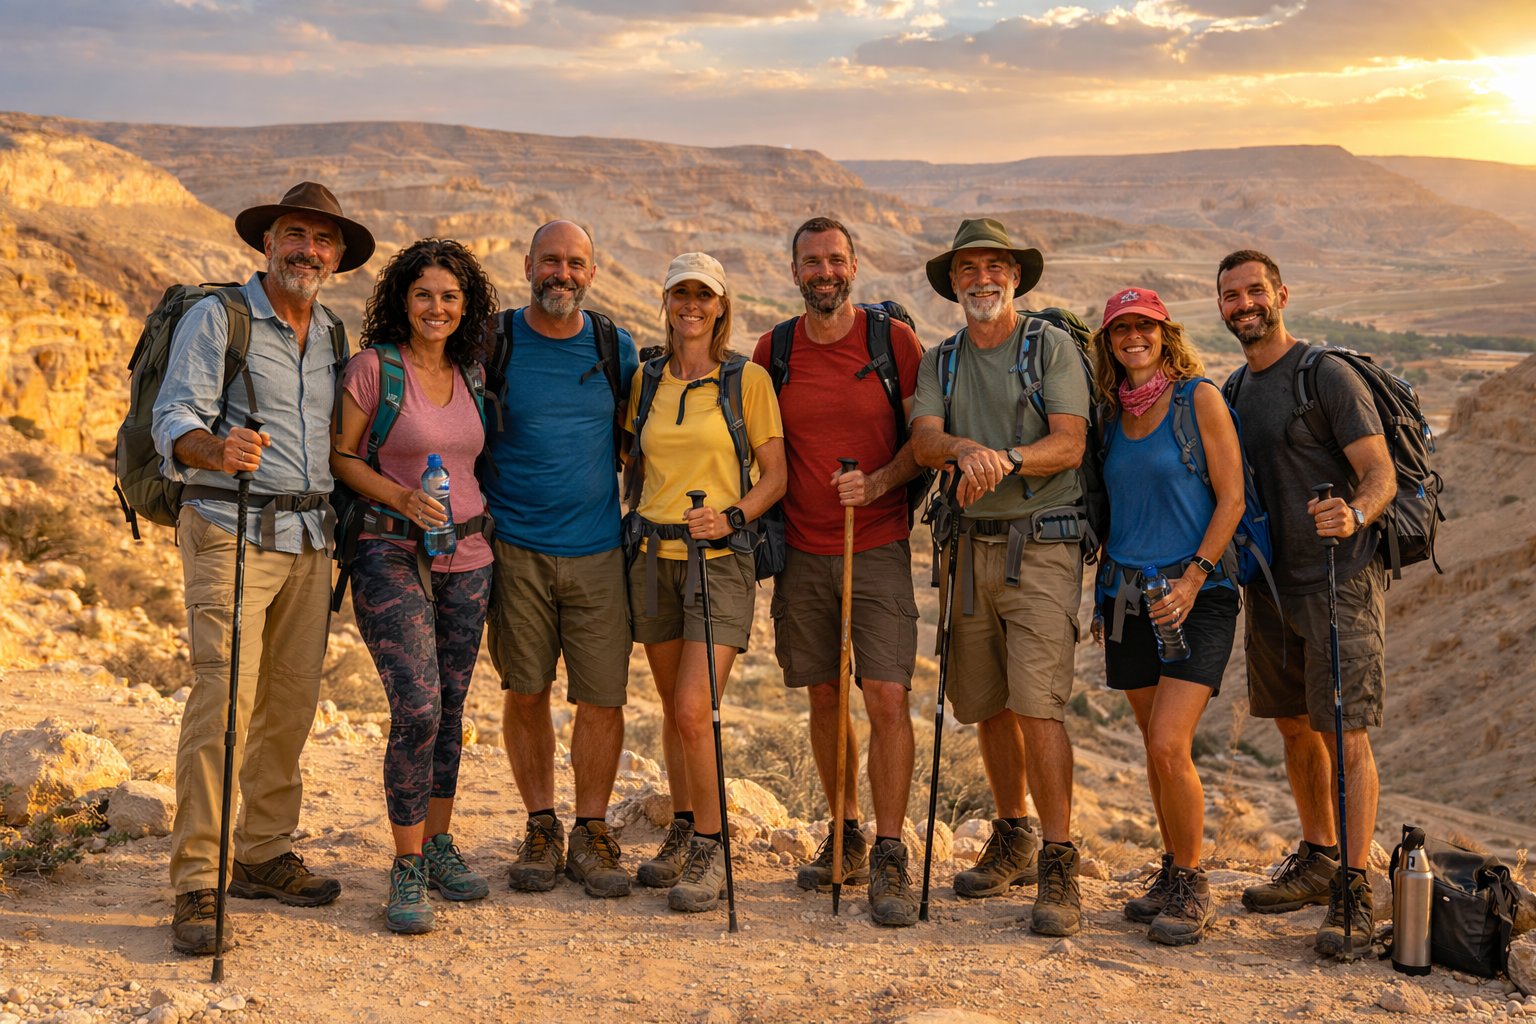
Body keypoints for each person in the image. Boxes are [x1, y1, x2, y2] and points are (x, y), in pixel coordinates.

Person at [152, 181, 374, 955]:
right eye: (293, 234)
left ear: (337, 257)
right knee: (223, 703)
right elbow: (174, 412)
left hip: (311, 541)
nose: (306, 250)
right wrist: (213, 448)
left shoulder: (333, 332)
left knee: (289, 704)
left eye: (321, 240)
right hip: (229, 530)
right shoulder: (219, 317)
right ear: (267, 242)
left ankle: (263, 852)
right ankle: (196, 884)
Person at [909, 217, 1090, 937]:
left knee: (1038, 703)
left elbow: (1069, 444)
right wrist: (962, 448)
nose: (982, 279)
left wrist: (1003, 460)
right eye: (967, 269)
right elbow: (924, 441)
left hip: (1042, 543)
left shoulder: (1050, 348)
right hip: (966, 547)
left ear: (1015, 277)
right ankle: (1012, 833)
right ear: (953, 282)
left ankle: (1059, 859)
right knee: (984, 701)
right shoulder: (941, 362)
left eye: (994, 267)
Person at [1217, 250, 1393, 957]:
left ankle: (1353, 888)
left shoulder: (1326, 375)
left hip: (1337, 580)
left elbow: (1378, 471)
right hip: (1269, 584)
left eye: (1254, 290)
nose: (1244, 304)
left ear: (1281, 294)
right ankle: (1318, 857)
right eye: (1230, 296)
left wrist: (1354, 514)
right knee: (1293, 724)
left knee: (1344, 731)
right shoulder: (1232, 389)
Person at [750, 218, 924, 927]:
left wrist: (879, 483)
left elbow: (925, 441)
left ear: (855, 265)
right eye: (812, 261)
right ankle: (844, 830)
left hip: (875, 543)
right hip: (802, 549)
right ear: (795, 270)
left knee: (884, 695)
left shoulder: (894, 344)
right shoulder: (775, 349)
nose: (825, 270)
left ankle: (888, 850)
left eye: (836, 259)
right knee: (824, 697)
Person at [331, 238, 498, 934]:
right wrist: (400, 498)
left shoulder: (472, 373)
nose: (436, 307)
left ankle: (437, 843)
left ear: (467, 307)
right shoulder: (374, 370)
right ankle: (404, 867)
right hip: (389, 553)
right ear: (404, 298)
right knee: (419, 707)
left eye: (450, 297)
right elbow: (340, 456)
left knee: (453, 710)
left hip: (469, 556)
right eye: (424, 294)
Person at [482, 220, 640, 899]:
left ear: (593, 273)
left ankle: (593, 828)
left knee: (603, 697)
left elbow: (643, 437)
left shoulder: (614, 346)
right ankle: (541, 824)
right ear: (527, 265)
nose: (563, 274)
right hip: (514, 549)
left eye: (576, 263)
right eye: (552, 260)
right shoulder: (494, 341)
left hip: (600, 549)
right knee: (525, 688)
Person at [626, 252, 785, 914]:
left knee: (695, 709)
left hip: (719, 562)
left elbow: (776, 475)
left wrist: (732, 516)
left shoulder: (745, 381)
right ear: (665, 300)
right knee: (674, 709)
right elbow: (630, 458)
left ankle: (714, 849)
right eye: (680, 292)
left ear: (721, 305)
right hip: (652, 557)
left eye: (704, 294)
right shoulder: (647, 379)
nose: (691, 303)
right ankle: (686, 826)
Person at [1087, 286, 1243, 946]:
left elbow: (1232, 499)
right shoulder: (1110, 416)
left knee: (1167, 744)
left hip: (1195, 596)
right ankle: (1172, 868)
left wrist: (1195, 575)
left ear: (1164, 332)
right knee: (1155, 753)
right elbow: (1116, 510)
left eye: (1144, 326)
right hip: (1125, 597)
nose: (1133, 338)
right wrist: (1102, 596)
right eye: (1121, 329)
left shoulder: (1196, 399)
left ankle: (1193, 882)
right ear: (1109, 342)